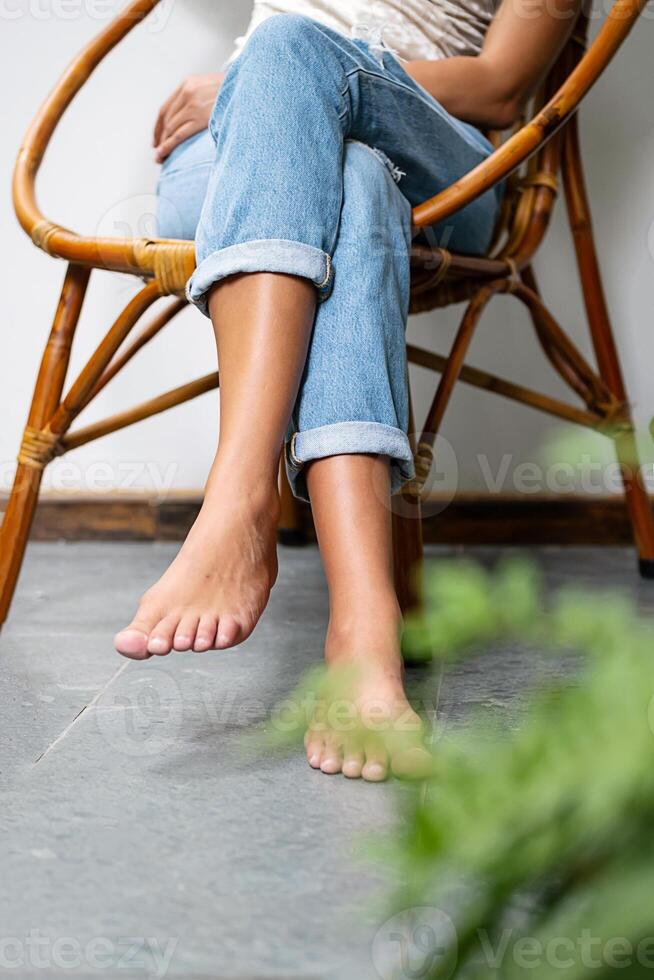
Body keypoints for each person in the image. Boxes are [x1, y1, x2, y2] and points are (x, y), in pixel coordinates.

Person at [114, 0, 580, 780]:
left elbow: (503, 87)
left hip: (440, 150)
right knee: (356, 180)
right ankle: (365, 631)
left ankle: (238, 500)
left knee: (291, 46)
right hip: (243, 147)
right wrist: (260, 84)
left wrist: (286, 67)